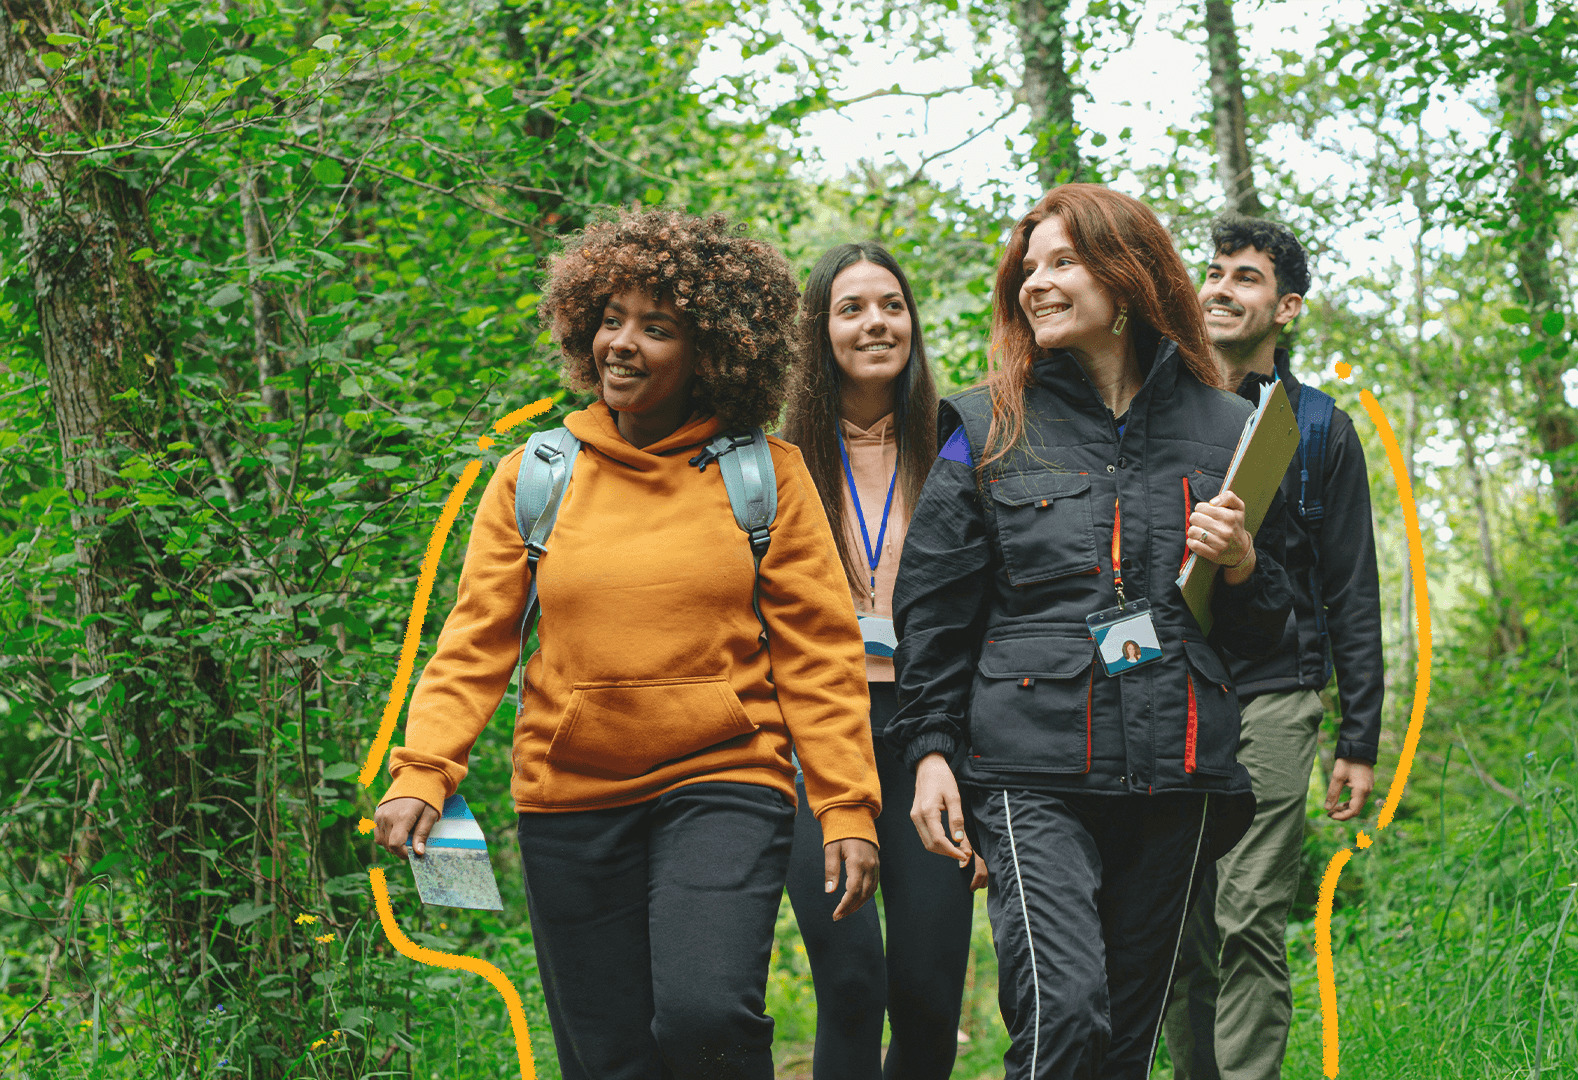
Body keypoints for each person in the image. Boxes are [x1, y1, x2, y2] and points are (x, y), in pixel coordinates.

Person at [370, 207, 882, 1080]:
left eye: (658, 327)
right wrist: (426, 766)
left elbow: (820, 654)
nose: (623, 344)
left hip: (723, 778)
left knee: (705, 1014)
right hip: (568, 798)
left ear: (714, 353)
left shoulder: (767, 475)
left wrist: (845, 804)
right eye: (610, 319)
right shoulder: (535, 476)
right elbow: (475, 641)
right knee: (608, 1059)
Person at [886, 184, 1293, 1079]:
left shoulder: (1231, 429)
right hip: (1030, 771)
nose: (1036, 284)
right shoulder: (981, 428)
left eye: (1062, 261)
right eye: (1027, 269)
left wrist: (1240, 563)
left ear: (1129, 272)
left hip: (1177, 770)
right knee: (1065, 1014)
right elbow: (932, 612)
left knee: (1124, 1048)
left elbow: (1268, 635)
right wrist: (927, 754)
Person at [1163, 215, 1383, 1080]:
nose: (1220, 289)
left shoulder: (1318, 430)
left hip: (1277, 693)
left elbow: (1352, 589)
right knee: (1183, 918)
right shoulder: (1154, 408)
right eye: (1213, 273)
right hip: (1172, 692)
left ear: (1286, 306)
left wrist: (1358, 739)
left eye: (1245, 278)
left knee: (1248, 912)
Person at [780, 242, 982, 1080]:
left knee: (930, 997)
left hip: (932, 732)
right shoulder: (778, 461)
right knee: (853, 984)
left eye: (892, 306)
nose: (876, 323)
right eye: (852, 307)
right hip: (815, 732)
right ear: (819, 331)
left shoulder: (961, 445)